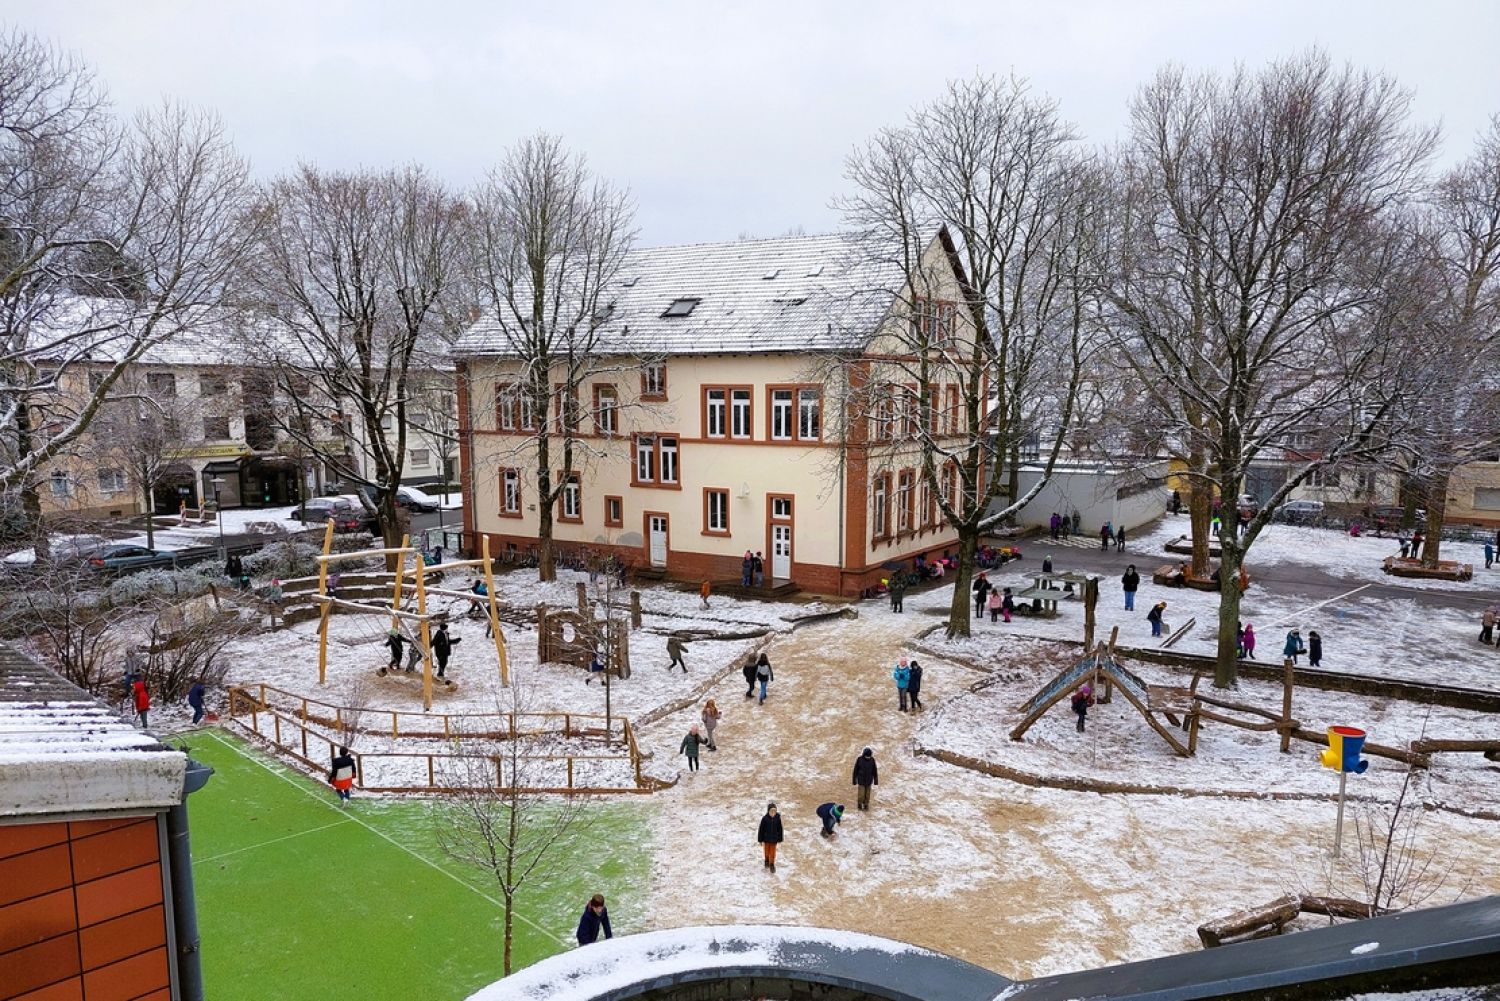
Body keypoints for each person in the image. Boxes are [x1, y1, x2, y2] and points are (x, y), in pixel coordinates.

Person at [757, 803, 783, 872]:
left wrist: (780, 839)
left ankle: (772, 864)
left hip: (774, 840)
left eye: (774, 811)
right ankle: (766, 860)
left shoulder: (778, 819)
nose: (773, 813)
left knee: (772, 853)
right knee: (766, 851)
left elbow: (780, 829)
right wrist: (760, 840)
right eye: (771, 811)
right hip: (766, 839)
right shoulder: (765, 819)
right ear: (768, 811)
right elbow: (761, 830)